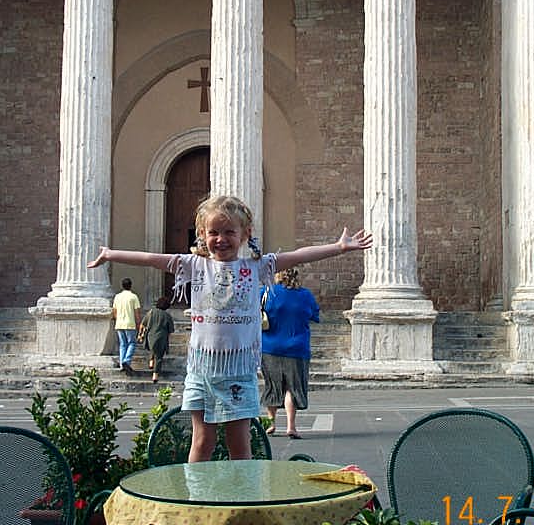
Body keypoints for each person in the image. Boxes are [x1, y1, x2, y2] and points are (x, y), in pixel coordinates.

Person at [88, 194, 372, 462]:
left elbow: (298, 256)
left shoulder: (257, 267)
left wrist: (339, 247)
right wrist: (111, 254)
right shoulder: (194, 265)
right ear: (202, 234)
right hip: (201, 370)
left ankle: (241, 493)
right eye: (213, 232)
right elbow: (151, 258)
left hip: (239, 370)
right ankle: (196, 493)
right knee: (202, 441)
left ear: (245, 234)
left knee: (240, 444)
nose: (221, 239)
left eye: (229, 232)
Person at [260, 267, 318, 439]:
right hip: (297, 347)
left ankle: (271, 423)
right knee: (292, 388)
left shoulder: (267, 292)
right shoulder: (305, 295)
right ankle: (291, 426)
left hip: (270, 347)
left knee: (272, 385)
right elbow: (314, 315)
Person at [140, 296, 175, 383]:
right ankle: (155, 375)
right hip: (161, 337)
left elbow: (143, 324)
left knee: (153, 348)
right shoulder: (167, 316)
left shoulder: (151, 312)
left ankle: (151, 361)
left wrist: (140, 334)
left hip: (150, 336)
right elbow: (171, 330)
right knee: (159, 356)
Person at [112, 277, 142, 375]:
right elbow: (137, 312)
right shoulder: (133, 297)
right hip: (130, 323)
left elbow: (114, 311)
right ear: (130, 286)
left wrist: (118, 319)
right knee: (132, 343)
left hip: (119, 324)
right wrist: (139, 324)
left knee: (122, 344)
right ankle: (127, 360)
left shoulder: (117, 297)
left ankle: (122, 364)